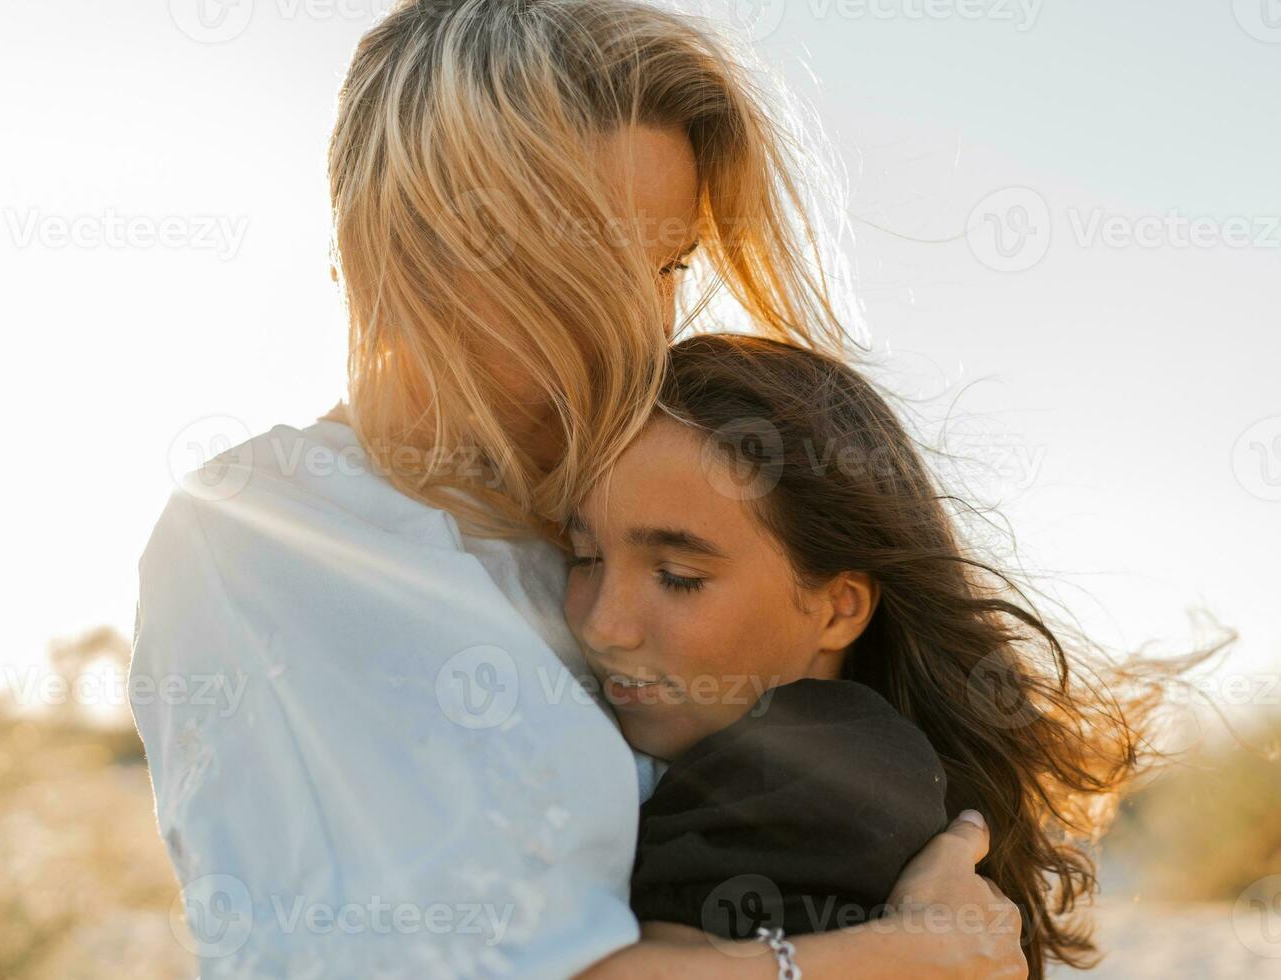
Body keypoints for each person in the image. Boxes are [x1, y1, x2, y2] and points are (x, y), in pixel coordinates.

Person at [130, 1, 1027, 976]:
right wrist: (896, 955)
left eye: (667, 266)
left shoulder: (599, 524)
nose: (638, 330)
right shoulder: (271, 532)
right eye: (584, 265)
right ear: (411, 240)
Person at [568, 334, 1186, 977]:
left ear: (839, 608)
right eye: (584, 559)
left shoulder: (813, 768)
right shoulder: (862, 759)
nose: (602, 625)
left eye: (677, 574)